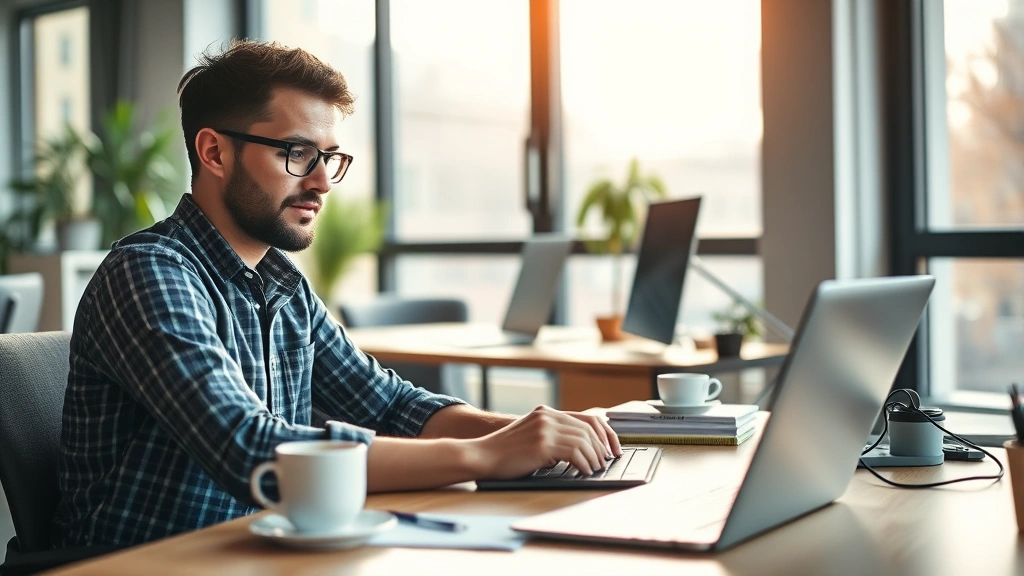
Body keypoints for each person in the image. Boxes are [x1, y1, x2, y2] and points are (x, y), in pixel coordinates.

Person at [51, 40, 621, 549]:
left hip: (262, 553)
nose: (322, 182)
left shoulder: (283, 286)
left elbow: (392, 406)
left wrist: (536, 435)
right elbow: (251, 448)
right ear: (215, 153)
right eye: (297, 154)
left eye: (330, 158)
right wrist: (485, 455)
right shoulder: (148, 273)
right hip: (152, 565)